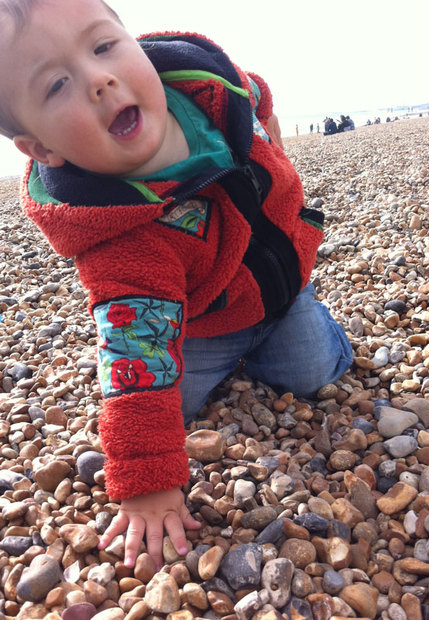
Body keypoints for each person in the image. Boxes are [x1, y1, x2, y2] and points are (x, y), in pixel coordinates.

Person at [0, 0, 353, 571]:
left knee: (314, 373)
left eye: (103, 46)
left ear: (134, 44)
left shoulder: (213, 89)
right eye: (57, 84)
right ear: (43, 148)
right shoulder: (119, 234)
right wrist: (148, 480)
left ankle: (315, 330)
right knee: (171, 402)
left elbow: (257, 93)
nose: (99, 80)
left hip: (283, 288)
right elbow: (137, 357)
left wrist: (274, 140)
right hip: (204, 323)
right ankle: (227, 363)